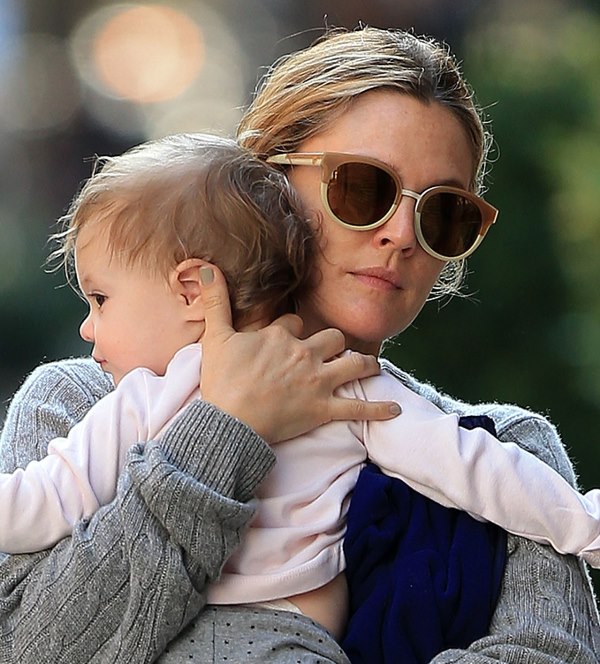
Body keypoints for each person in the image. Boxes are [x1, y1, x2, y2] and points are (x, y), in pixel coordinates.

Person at [0, 25, 598, 664]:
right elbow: (28, 648)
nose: (401, 234)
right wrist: (223, 430)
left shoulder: (508, 451)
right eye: (363, 187)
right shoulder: (77, 401)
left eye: (443, 214)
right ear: (267, 181)